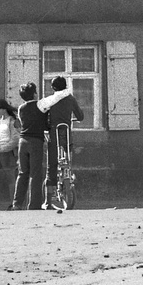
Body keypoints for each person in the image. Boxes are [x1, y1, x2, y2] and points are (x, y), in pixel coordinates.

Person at [40, 76, 84, 209]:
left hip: (54, 136)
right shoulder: (71, 99)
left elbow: (44, 117)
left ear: (53, 88)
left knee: (51, 166)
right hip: (66, 135)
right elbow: (80, 116)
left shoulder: (51, 100)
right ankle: (69, 175)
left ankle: (48, 201)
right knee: (68, 161)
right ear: (65, 86)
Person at [13, 82, 47, 210]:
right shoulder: (40, 106)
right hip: (36, 141)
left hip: (23, 141)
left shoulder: (21, 108)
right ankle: (34, 205)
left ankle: (17, 204)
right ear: (34, 93)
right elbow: (45, 124)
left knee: (22, 173)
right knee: (35, 174)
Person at [0, 98, 20, 209]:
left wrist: (4, 148)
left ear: (4, 109)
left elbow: (15, 138)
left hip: (7, 154)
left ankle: (14, 203)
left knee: (11, 180)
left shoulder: (12, 120)